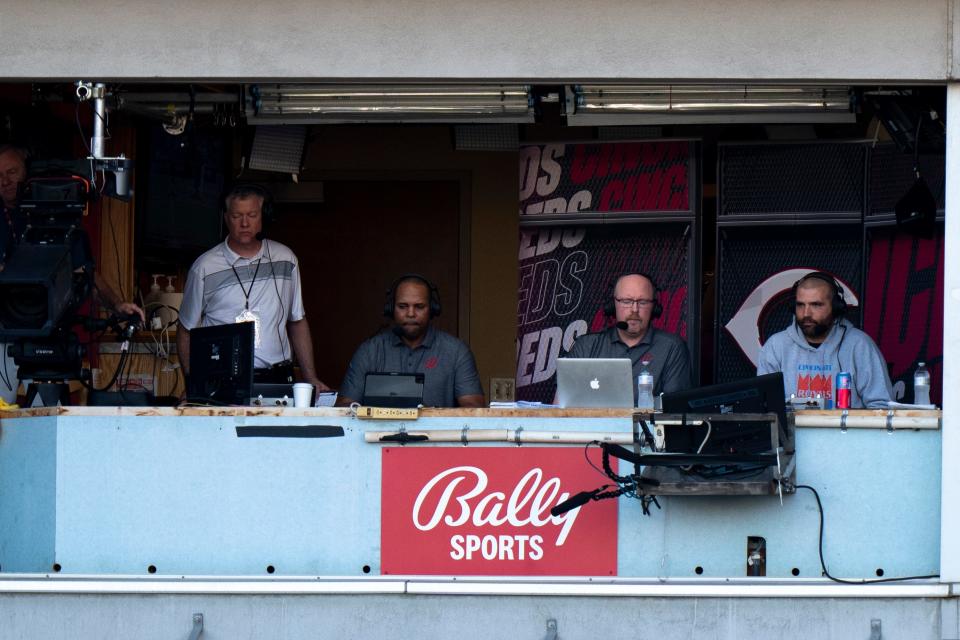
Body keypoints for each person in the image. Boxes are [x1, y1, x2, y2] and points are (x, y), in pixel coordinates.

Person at [0, 144, 143, 403]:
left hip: (50, 338)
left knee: (46, 422)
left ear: (26, 173)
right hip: (4, 337)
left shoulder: (57, 216)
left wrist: (116, 305)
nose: (5, 181)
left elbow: (87, 274)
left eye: (12, 172)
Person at [177, 183, 327, 392]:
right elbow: (186, 330)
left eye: (252, 215)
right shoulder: (204, 267)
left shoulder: (286, 259)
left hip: (277, 377)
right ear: (226, 218)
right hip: (222, 379)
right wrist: (192, 384)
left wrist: (311, 378)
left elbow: (297, 321)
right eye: (237, 216)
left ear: (264, 216)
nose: (245, 223)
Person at [336, 274, 484, 408]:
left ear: (432, 309)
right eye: (402, 306)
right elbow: (344, 406)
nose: (411, 313)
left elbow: (474, 409)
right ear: (391, 308)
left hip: (436, 437)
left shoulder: (456, 351)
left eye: (419, 306)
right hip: (376, 436)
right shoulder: (370, 350)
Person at [757, 271, 893, 409]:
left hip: (846, 431)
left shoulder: (860, 345)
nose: (806, 314)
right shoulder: (776, 347)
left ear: (835, 308)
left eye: (816, 305)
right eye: (800, 305)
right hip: (790, 431)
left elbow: (882, 407)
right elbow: (765, 407)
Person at [565, 272, 691, 399]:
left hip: (643, 420)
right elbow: (561, 406)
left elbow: (675, 410)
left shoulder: (671, 347)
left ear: (654, 307)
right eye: (626, 301)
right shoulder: (586, 346)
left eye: (642, 302)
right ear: (612, 305)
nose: (634, 309)